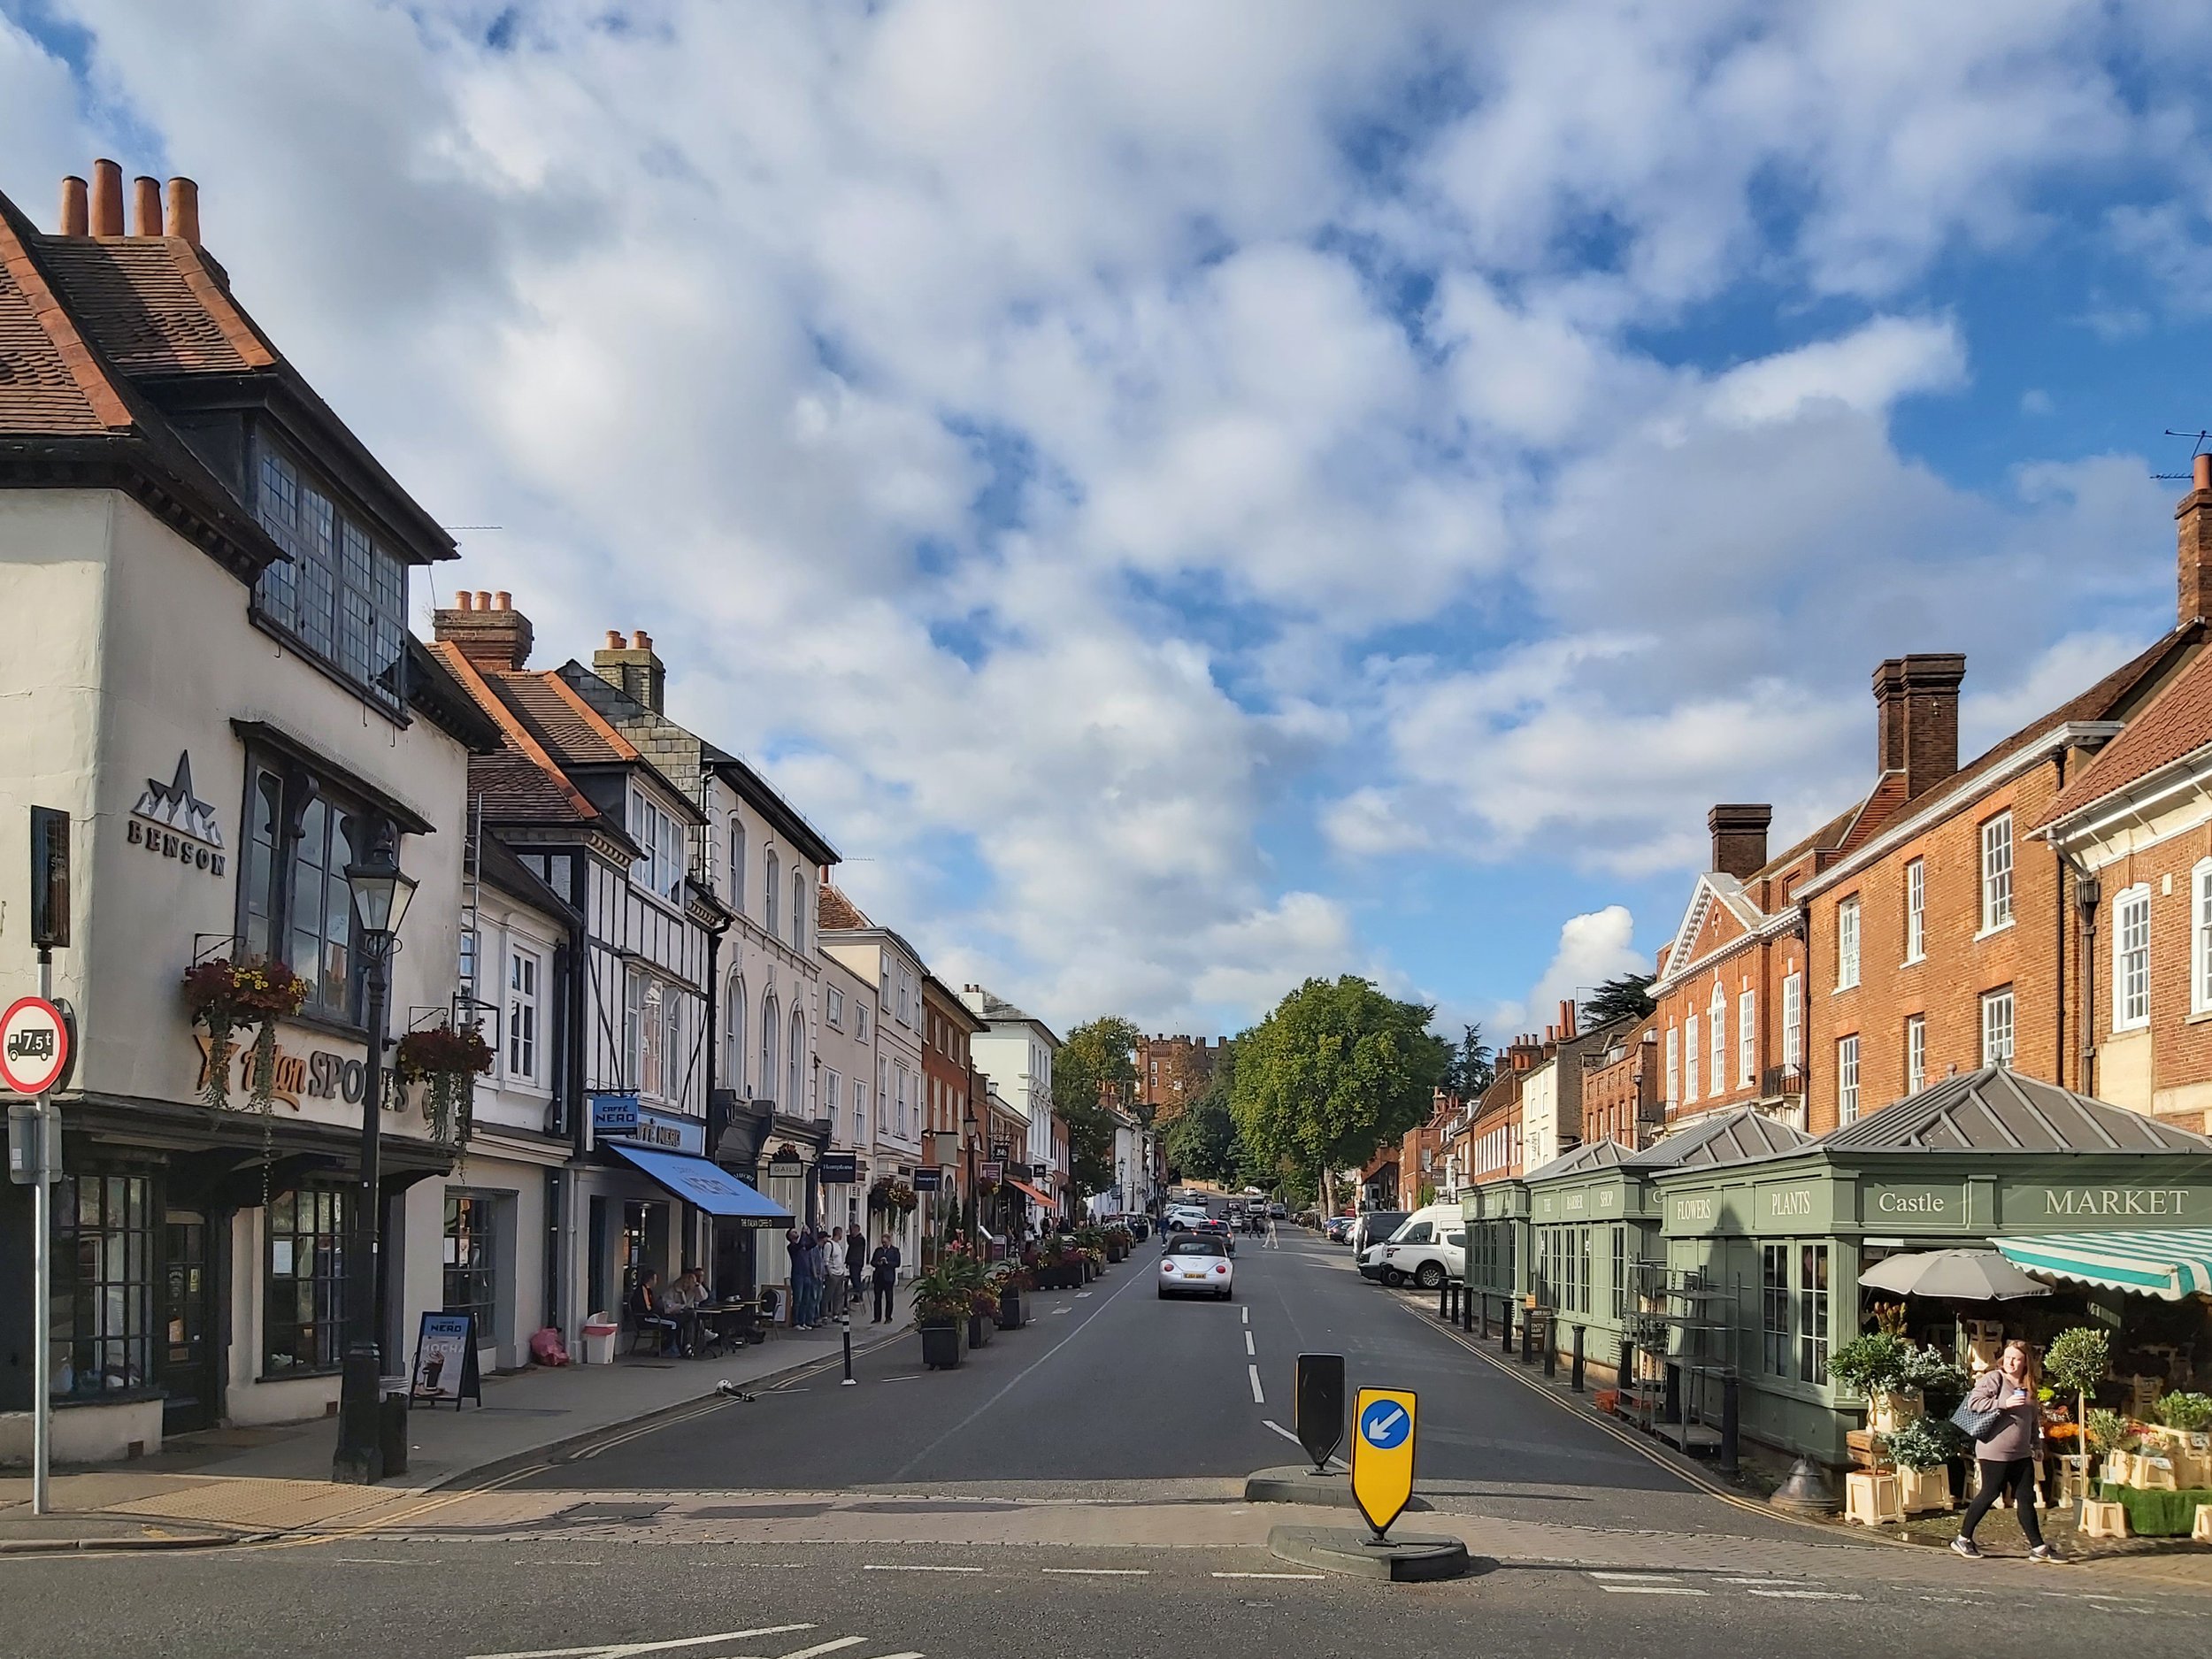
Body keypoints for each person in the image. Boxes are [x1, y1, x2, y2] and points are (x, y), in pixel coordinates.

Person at [1953, 1340, 2057, 1562]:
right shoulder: (1995, 1378)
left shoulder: (2029, 1384)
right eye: (2008, 1357)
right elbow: (1974, 1403)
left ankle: (2038, 1548)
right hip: (1994, 1451)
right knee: (1990, 1493)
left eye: (2016, 1358)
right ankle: (1963, 1539)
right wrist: (2004, 1402)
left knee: (2026, 1498)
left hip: (2021, 1453)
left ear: (2025, 1362)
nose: (2011, 1362)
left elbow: (2031, 1418)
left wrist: (2036, 1445)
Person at [626, 1268, 681, 1356]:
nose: (656, 1282)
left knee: (675, 1319)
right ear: (650, 1280)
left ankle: (670, 1346)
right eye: (655, 1279)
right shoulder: (643, 1291)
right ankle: (667, 1348)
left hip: (652, 1316)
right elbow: (648, 1308)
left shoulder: (648, 1291)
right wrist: (661, 1312)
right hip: (647, 1318)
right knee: (673, 1323)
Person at [871, 1233, 902, 1325]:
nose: (883, 1244)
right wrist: (878, 1263)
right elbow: (872, 1262)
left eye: (885, 1242)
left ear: (889, 1241)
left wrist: (887, 1263)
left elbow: (897, 1263)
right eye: (882, 1242)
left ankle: (888, 1317)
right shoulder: (878, 1250)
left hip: (888, 1277)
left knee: (889, 1298)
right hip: (878, 1277)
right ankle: (877, 1317)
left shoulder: (895, 1251)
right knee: (877, 1299)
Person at [846, 1225, 868, 1302]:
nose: (852, 1232)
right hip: (855, 1262)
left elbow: (851, 1243)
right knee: (855, 1278)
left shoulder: (860, 1239)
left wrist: (848, 1236)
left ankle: (859, 1296)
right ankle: (857, 1297)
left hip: (856, 1262)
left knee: (855, 1278)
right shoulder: (858, 1239)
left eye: (853, 1231)